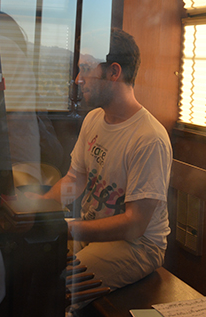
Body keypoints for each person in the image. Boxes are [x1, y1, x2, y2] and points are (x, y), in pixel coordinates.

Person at [38, 28, 173, 290]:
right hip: (92, 230)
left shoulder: (149, 138)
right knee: (35, 262)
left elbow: (135, 224)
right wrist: (37, 207)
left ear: (114, 72)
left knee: (60, 286)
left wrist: (70, 228)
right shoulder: (93, 119)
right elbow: (74, 180)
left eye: (86, 68)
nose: (78, 79)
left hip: (137, 245)